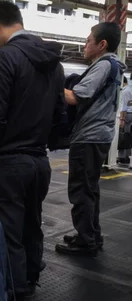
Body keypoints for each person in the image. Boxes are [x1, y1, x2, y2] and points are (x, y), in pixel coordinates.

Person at [0, 0, 65, 301]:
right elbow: (59, 115)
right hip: (40, 162)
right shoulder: (53, 62)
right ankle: (28, 290)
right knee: (32, 227)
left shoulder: (4, 58)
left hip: (10, 163)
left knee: (8, 237)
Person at [56, 22, 126, 256]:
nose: (85, 44)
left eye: (88, 40)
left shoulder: (103, 66)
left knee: (81, 190)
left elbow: (75, 97)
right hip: (100, 135)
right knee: (90, 188)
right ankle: (91, 233)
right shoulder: (115, 65)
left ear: (102, 44)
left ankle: (86, 241)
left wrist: (51, 81)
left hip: (89, 135)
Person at [118, 76, 132, 166]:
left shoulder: (126, 91)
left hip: (128, 115)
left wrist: (122, 119)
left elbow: (124, 106)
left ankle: (124, 157)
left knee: (125, 135)